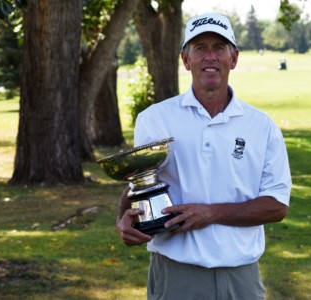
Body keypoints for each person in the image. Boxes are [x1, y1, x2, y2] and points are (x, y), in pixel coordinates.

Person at [116, 12, 292, 300]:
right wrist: (122, 219)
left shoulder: (262, 126)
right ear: (186, 60)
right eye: (200, 48)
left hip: (241, 277)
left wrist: (211, 213)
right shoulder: (155, 119)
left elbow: (276, 206)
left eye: (219, 48)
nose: (210, 57)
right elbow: (140, 185)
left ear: (233, 59)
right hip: (175, 275)